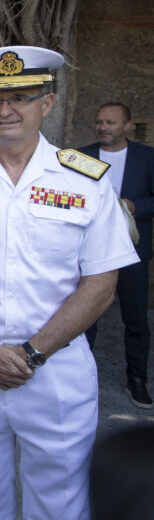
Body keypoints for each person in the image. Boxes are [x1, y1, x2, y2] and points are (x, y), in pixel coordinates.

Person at [0, 45, 138, 520]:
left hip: (53, 372)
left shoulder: (87, 182)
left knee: (60, 506)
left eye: (21, 96)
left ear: (48, 103)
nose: (6, 109)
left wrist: (32, 352)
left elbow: (101, 283)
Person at [80, 102, 154, 409]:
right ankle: (82, 381)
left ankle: (136, 380)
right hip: (90, 251)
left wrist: (136, 206)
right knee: (85, 317)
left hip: (132, 252)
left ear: (127, 126)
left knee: (136, 318)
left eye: (110, 122)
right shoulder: (81, 157)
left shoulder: (147, 157)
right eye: (99, 122)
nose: (103, 127)